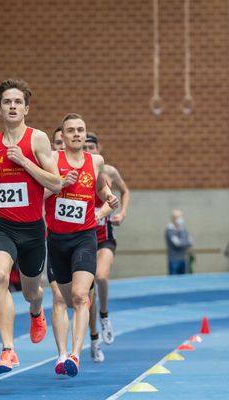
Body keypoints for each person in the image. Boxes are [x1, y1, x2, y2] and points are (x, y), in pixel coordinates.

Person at [0, 79, 62, 374]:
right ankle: (7, 350)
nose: (12, 106)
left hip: (32, 230)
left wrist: (25, 162)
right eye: (7, 102)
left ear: (26, 108)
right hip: (2, 225)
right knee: (0, 276)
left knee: (31, 291)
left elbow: (56, 182)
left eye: (17, 102)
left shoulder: (37, 139)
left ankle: (36, 312)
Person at [44, 113, 118, 377]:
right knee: (62, 299)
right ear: (62, 137)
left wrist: (109, 197)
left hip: (85, 237)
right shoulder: (52, 160)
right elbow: (37, 193)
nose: (77, 134)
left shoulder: (96, 161)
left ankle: (74, 354)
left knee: (80, 296)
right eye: (71, 130)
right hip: (56, 239)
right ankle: (61, 353)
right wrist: (59, 185)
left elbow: (101, 190)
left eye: (81, 130)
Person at [84, 132, 131, 356]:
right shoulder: (77, 172)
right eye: (84, 148)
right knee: (87, 294)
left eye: (91, 148)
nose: (88, 151)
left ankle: (104, 315)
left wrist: (122, 212)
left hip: (104, 238)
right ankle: (93, 338)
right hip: (82, 238)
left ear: (99, 149)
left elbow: (125, 191)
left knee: (101, 276)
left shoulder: (109, 171)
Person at [165, 209, 193, 275]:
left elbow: (190, 241)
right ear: (173, 219)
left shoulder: (183, 229)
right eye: (178, 217)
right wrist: (185, 242)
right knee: (173, 282)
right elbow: (177, 244)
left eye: (181, 217)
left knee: (184, 280)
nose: (180, 219)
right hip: (173, 260)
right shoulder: (169, 230)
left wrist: (184, 242)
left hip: (183, 259)